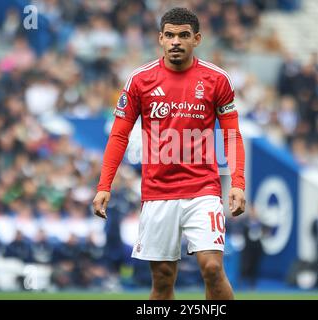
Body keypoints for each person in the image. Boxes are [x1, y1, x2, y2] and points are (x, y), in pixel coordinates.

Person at [92, 7, 246, 300]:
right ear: (160, 38)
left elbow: (232, 134)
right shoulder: (140, 80)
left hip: (203, 190)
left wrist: (237, 182)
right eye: (170, 35)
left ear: (197, 39)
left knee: (212, 268)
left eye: (184, 35)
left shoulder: (217, 79)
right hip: (157, 193)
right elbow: (119, 135)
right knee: (163, 280)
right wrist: (104, 186)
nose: (176, 41)